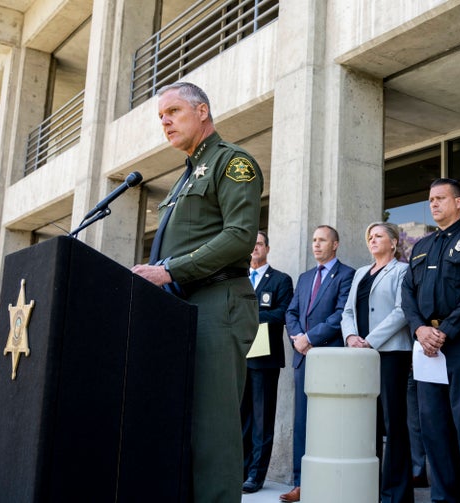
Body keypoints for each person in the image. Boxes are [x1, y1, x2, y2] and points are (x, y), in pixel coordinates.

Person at [131, 81, 263, 502]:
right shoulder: (183, 179)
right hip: (180, 309)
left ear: (202, 111)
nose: (165, 121)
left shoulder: (232, 162)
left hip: (217, 303)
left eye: (173, 112)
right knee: (180, 424)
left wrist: (168, 271)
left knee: (213, 430)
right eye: (160, 117)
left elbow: (240, 237)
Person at [401, 178, 460, 502]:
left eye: (440, 198)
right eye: (430, 199)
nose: (433, 204)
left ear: (459, 202)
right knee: (434, 427)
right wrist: (419, 329)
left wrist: (446, 330)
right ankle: (444, 497)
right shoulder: (420, 246)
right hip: (427, 346)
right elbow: (407, 294)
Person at [341, 221, 414, 503]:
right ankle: (369, 487)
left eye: (378, 235)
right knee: (366, 423)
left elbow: (401, 312)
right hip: (360, 355)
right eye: (369, 236)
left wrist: (370, 340)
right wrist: (351, 338)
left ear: (394, 242)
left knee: (393, 423)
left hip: (391, 353)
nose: (372, 239)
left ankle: (396, 493)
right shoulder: (360, 272)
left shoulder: (403, 270)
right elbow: (347, 311)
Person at [282, 225, 355, 502]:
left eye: (322, 240)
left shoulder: (347, 275)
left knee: (328, 423)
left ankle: (328, 483)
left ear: (335, 244)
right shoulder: (304, 277)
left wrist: (310, 337)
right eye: (314, 240)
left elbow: (341, 315)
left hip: (328, 357)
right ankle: (301, 483)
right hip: (303, 359)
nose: (316, 245)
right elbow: (291, 311)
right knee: (302, 422)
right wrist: (298, 339)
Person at [240, 231, 294, 494]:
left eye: (259, 244)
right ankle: (239, 470)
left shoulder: (281, 280)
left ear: (267, 248)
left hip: (264, 359)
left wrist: (250, 314)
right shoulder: (238, 279)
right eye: (251, 246)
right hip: (238, 357)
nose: (254, 249)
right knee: (241, 419)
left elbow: (282, 313)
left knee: (262, 421)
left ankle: (255, 475)